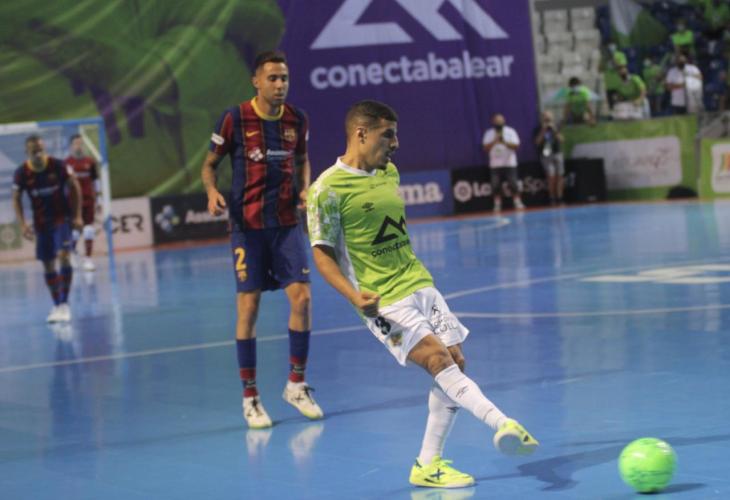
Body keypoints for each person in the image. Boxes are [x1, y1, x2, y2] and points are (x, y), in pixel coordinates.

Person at [307, 100, 538, 489]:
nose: (396, 144)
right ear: (361, 134)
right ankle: (503, 423)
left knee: (455, 362)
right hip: (382, 299)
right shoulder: (326, 189)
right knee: (436, 358)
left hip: (419, 283)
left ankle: (428, 464)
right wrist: (354, 296)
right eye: (388, 135)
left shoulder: (389, 172)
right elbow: (322, 255)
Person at [201, 50, 323, 428]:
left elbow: (303, 159)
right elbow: (209, 165)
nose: (280, 84)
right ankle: (250, 397)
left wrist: (305, 188)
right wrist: (212, 192)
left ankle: (296, 385)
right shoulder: (235, 118)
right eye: (272, 78)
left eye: (284, 78)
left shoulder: (298, 119)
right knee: (248, 307)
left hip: (286, 223)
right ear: (256, 81)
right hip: (247, 227)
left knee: (302, 298)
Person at [12, 135, 82, 322]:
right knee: (48, 263)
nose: (38, 153)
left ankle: (65, 304)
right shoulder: (21, 173)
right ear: (27, 152)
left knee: (64, 256)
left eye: (41, 149)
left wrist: (77, 215)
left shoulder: (58, 166)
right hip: (41, 223)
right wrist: (23, 224)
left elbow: (75, 186)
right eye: (34, 150)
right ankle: (57, 305)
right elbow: (16, 198)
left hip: (62, 219)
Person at [65, 134, 100, 271]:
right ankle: (72, 252)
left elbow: (95, 181)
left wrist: (99, 199)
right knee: (75, 232)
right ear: (71, 146)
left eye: (81, 143)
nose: (79, 146)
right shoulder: (66, 163)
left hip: (88, 200)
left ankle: (88, 260)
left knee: (89, 229)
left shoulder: (90, 162)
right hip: (73, 203)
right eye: (76, 143)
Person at [482, 114, 524, 212]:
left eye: (500, 121)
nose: (498, 123)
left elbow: (516, 146)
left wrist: (504, 141)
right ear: (493, 122)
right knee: (495, 185)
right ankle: (497, 204)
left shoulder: (510, 131)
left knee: (513, 183)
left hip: (510, 163)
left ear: (504, 121)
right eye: (496, 121)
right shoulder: (489, 133)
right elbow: (485, 148)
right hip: (495, 164)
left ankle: (517, 202)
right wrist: (494, 141)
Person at [533, 111, 564, 205]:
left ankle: (560, 198)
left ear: (552, 118)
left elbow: (562, 140)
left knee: (560, 176)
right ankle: (552, 198)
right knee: (551, 177)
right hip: (546, 154)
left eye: (549, 118)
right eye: (546, 118)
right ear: (542, 118)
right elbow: (537, 142)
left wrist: (554, 129)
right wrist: (543, 130)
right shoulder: (538, 128)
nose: (547, 120)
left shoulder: (556, 127)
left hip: (557, 153)